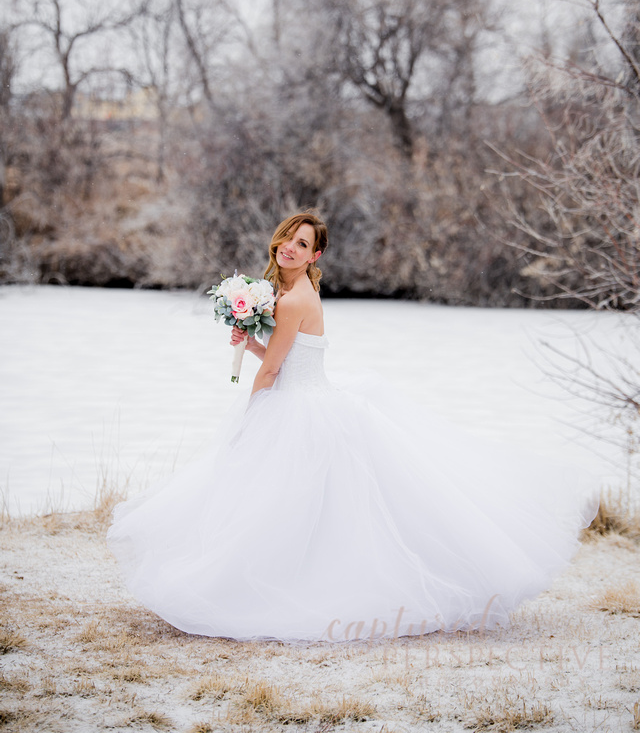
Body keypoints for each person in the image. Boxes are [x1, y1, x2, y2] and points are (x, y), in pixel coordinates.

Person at [108, 209, 598, 643]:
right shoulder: (298, 291)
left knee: (283, 504)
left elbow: (275, 371)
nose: (290, 247)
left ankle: (275, 590)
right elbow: (287, 353)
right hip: (313, 397)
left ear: (315, 253)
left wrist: (252, 416)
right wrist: (251, 340)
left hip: (299, 406)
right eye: (286, 239)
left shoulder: (294, 298)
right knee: (307, 507)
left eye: (302, 243)